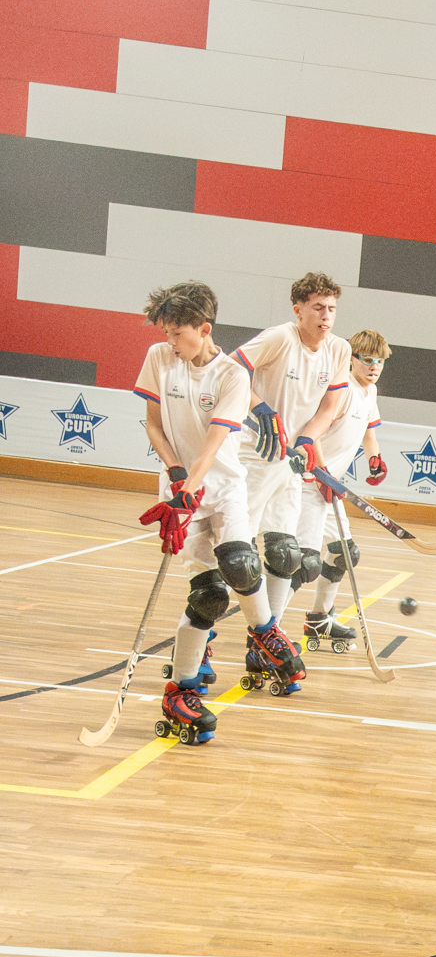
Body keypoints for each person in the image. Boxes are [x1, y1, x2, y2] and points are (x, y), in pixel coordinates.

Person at [133, 280, 301, 743]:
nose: (170, 342)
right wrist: (175, 473)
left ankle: (265, 631)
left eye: (178, 334)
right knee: (209, 596)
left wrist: (193, 481)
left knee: (242, 564)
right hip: (180, 490)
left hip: (223, 486)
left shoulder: (231, 375)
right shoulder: (159, 358)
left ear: (204, 329)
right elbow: (153, 425)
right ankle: (181, 691)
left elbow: (212, 443)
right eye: (166, 333)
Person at [234, 271, 354, 695]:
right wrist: (259, 406)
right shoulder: (279, 339)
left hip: (289, 464)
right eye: (318, 307)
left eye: (332, 309)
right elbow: (228, 370)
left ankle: (262, 645)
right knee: (234, 556)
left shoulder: (339, 349)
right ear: (298, 309)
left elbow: (329, 407)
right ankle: (203, 639)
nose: (326, 316)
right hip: (253, 456)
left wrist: (308, 438)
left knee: (285, 556)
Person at [287, 329, 389, 652]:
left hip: (328, 487)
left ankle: (319, 618)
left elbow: (369, 433)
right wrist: (322, 473)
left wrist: (374, 459)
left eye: (380, 361)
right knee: (301, 562)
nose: (374, 367)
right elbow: (313, 430)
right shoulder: (341, 388)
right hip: (308, 482)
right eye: (367, 360)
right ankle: (265, 628)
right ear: (352, 359)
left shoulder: (370, 392)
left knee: (345, 552)